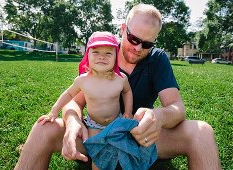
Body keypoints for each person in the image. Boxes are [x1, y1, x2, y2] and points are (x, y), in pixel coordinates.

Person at [15, 4, 221, 169]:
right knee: (43, 129)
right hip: (96, 137)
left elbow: (177, 107)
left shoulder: (158, 60)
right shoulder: (102, 51)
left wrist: (159, 116)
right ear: (123, 29)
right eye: (133, 38)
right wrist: (71, 123)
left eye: (147, 44)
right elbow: (73, 102)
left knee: (202, 132)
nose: (138, 48)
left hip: (139, 137)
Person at [38, 31, 155, 170]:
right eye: (96, 52)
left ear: (116, 57)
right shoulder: (83, 80)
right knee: (99, 157)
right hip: (94, 125)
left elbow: (127, 92)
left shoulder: (121, 79)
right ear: (87, 55)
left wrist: (128, 111)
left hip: (116, 122)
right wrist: (54, 111)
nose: (102, 57)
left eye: (108, 53)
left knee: (124, 149)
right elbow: (68, 94)